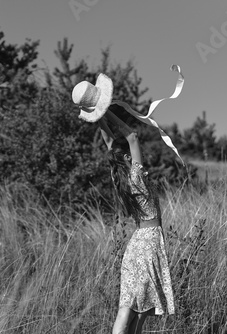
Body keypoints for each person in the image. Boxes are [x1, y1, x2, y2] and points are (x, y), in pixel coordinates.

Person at [72, 74, 175, 334]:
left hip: (136, 246)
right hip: (149, 244)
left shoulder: (121, 179)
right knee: (136, 313)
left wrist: (100, 115)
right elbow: (131, 135)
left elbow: (111, 143)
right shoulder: (136, 176)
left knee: (131, 309)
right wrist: (105, 110)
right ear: (129, 158)